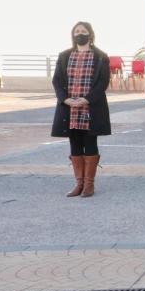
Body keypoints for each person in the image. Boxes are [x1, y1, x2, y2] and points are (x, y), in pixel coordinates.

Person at [51, 22, 110, 198]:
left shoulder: (100, 56)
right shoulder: (64, 56)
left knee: (90, 143)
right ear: (72, 35)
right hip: (69, 108)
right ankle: (79, 184)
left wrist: (87, 99)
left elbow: (103, 82)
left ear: (90, 35)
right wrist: (65, 99)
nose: (80, 34)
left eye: (83, 31)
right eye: (77, 31)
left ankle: (89, 185)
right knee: (74, 143)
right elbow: (57, 80)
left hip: (91, 107)